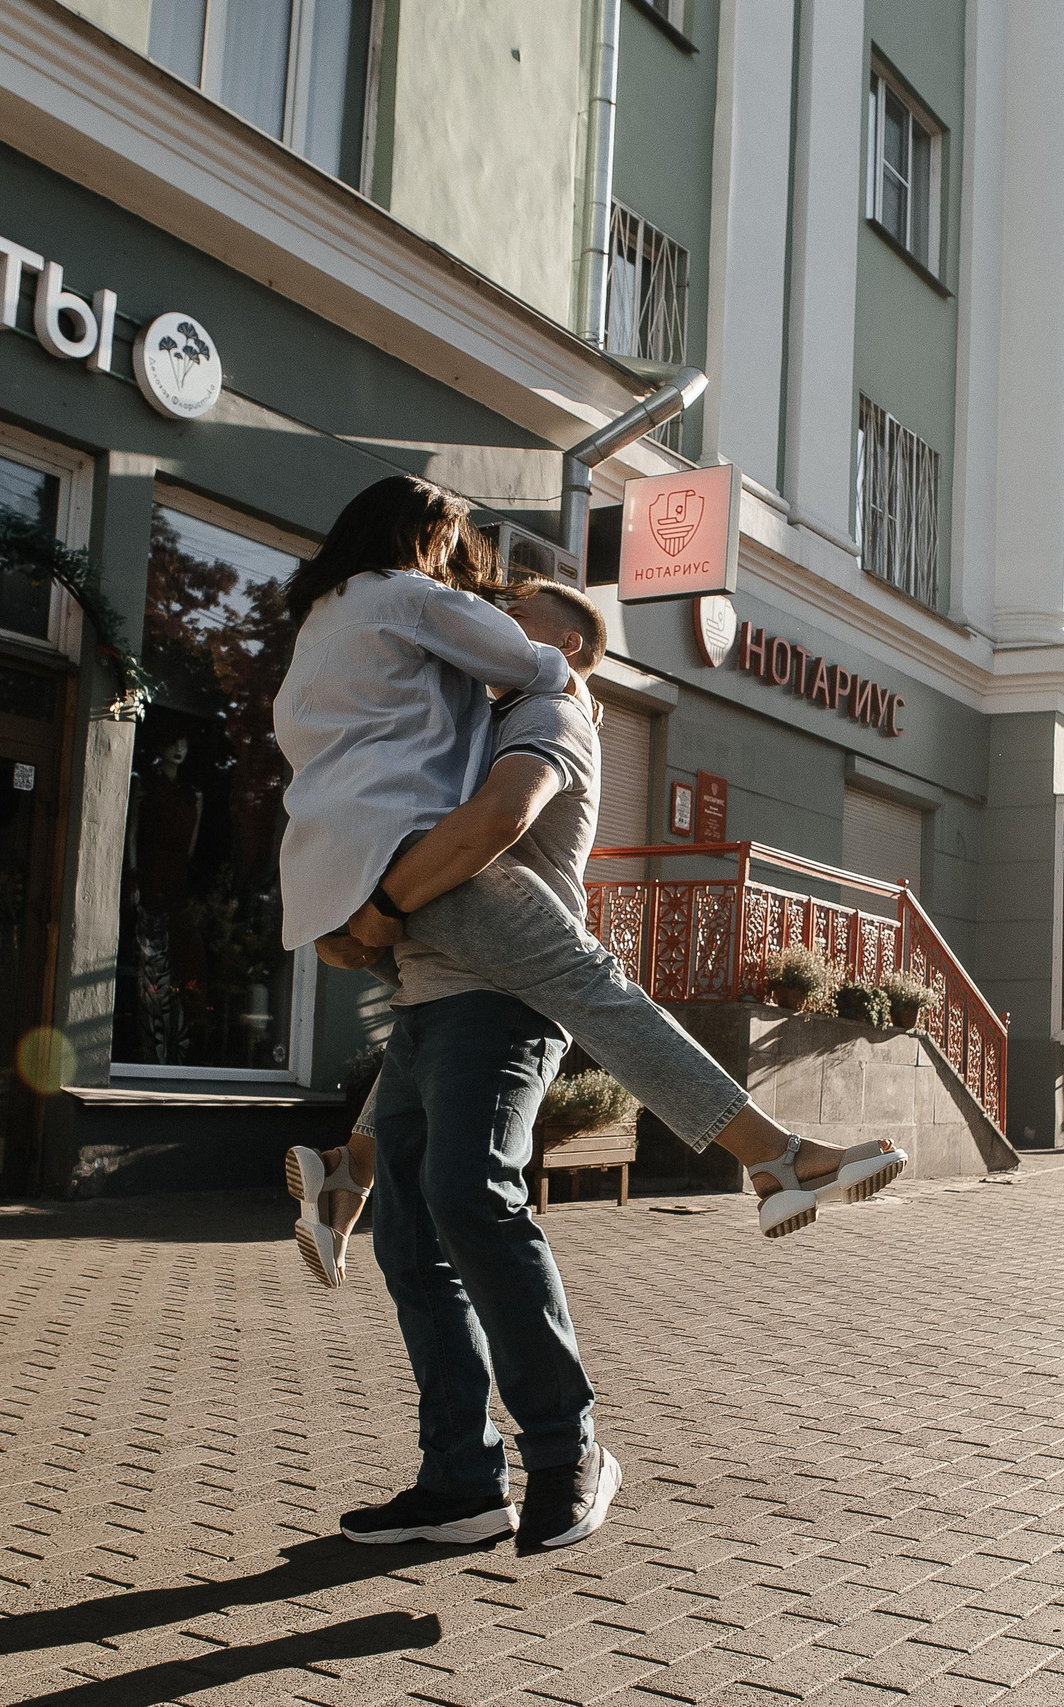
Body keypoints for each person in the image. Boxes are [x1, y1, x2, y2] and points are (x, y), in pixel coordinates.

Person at [269, 478, 902, 1553]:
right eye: (498, 612)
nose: (499, 620)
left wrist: (372, 903)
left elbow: (491, 824)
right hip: (438, 983)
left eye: (523, 617)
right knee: (415, 1245)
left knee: (481, 1184)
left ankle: (569, 1446)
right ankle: (460, 1480)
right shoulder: (459, 699)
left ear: (572, 646)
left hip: (504, 995)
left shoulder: (549, 701)